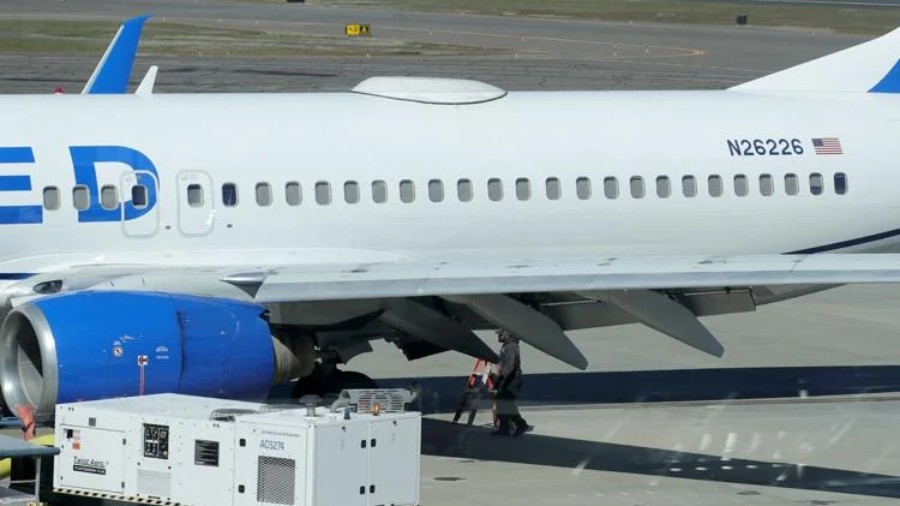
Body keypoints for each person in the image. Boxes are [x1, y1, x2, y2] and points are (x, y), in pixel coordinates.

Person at [491, 329, 533, 437]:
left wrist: (500, 377)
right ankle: (505, 428)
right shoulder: (507, 345)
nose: (498, 335)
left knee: (506, 404)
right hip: (508, 379)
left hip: (512, 380)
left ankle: (520, 425)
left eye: (500, 333)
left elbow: (509, 366)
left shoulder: (511, 346)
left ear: (508, 333)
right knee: (503, 403)